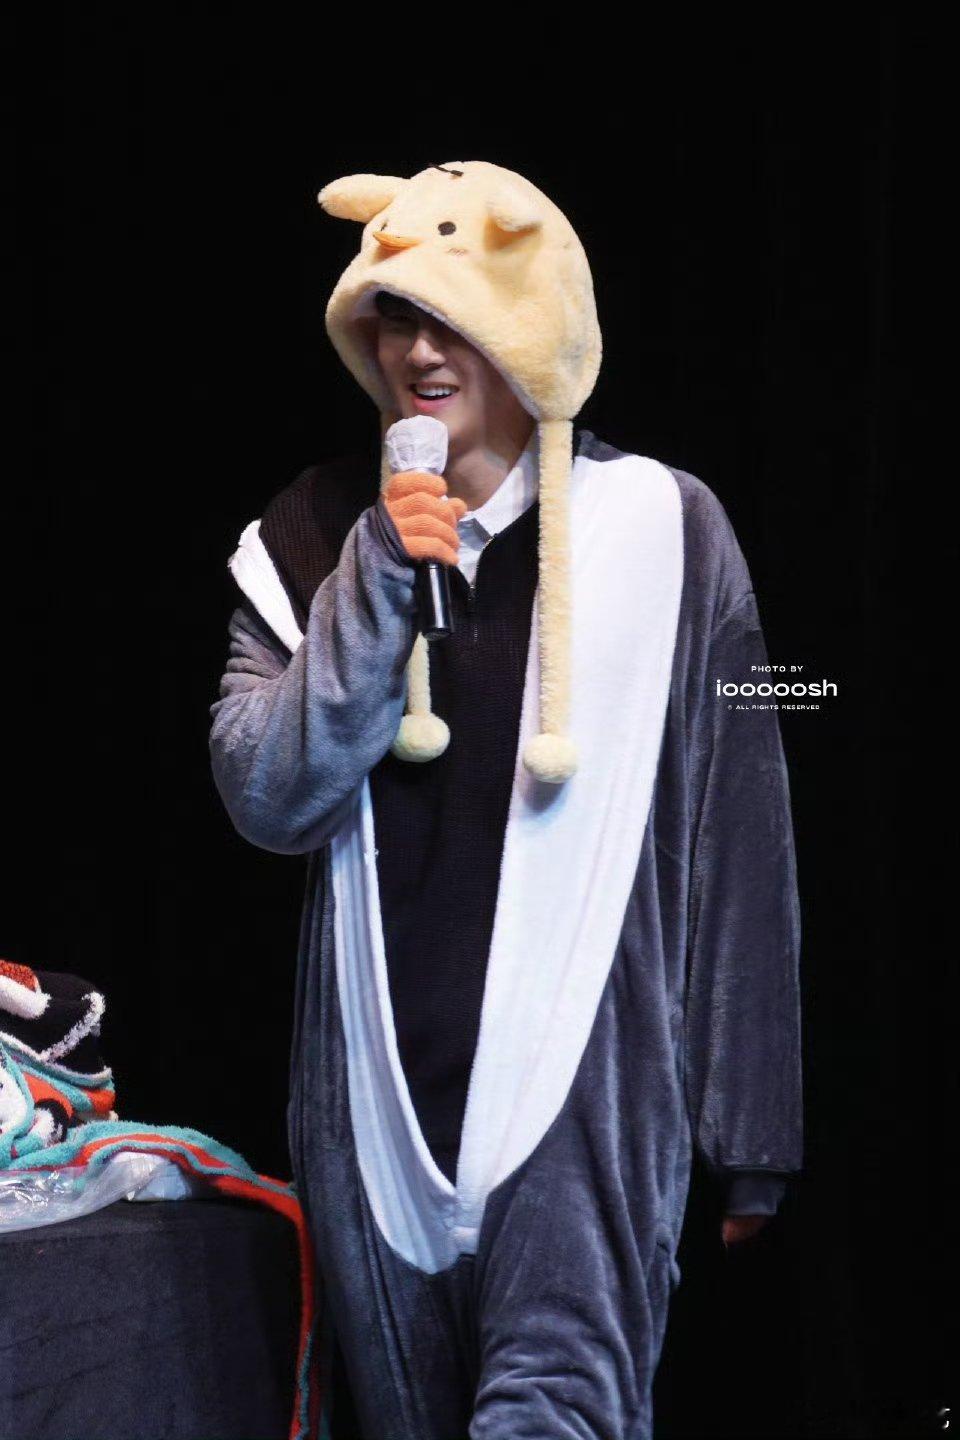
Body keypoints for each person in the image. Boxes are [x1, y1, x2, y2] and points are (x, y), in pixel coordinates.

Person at [209, 160, 803, 1440]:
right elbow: (267, 796)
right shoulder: (309, 532)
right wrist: (378, 573)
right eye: (396, 316)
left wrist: (750, 1124)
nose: (421, 351)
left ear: (531, 322)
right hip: (379, 1111)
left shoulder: (665, 526)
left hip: (586, 1098)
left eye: (457, 317)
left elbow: (744, 815)